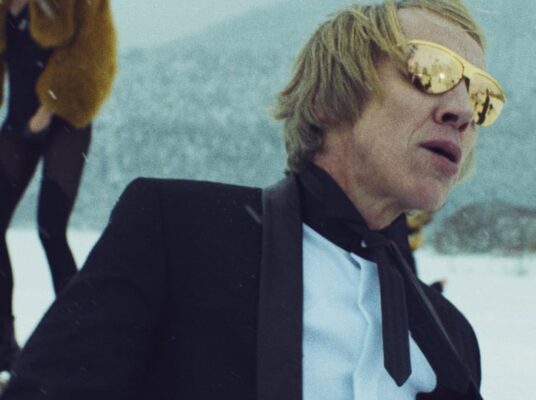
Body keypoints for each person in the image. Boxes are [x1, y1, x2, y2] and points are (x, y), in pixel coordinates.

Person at [0, 0, 505, 398]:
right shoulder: (175, 233)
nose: (462, 111)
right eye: (429, 70)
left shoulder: (453, 339)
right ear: (328, 99)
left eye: (481, 97)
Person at [0, 0, 117, 374]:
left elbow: (94, 52)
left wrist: (50, 105)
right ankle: (4, 348)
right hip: (17, 124)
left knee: (50, 229)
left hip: (66, 120)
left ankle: (80, 342)